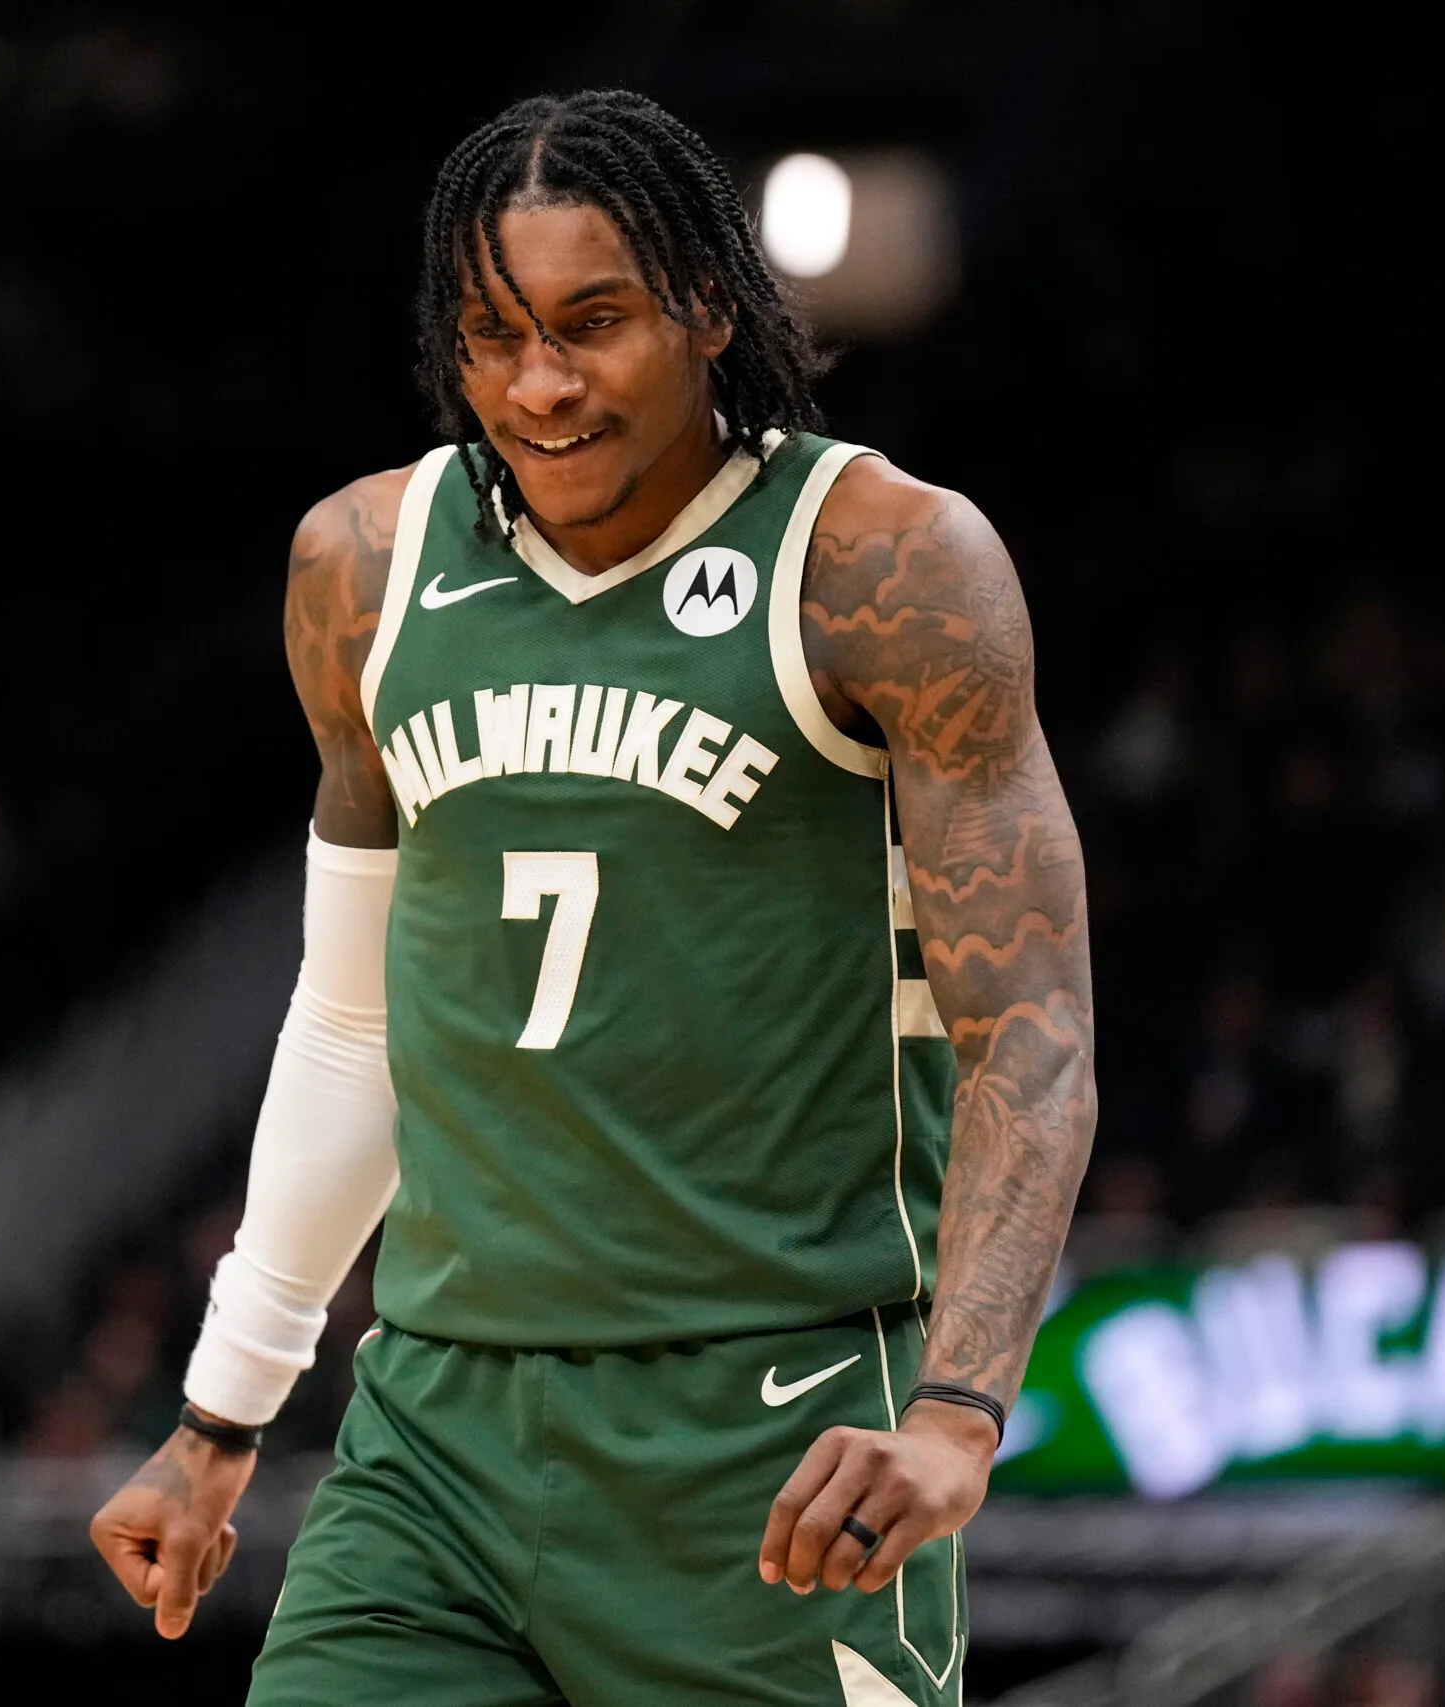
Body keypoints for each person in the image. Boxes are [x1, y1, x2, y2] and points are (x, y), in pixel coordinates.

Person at [89, 89, 1096, 1707]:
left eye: (592, 324)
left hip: (772, 1438)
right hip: (436, 1436)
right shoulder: (365, 564)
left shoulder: (885, 564)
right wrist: (221, 1417)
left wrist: (960, 1410)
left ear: (709, 302)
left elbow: (1031, 1036)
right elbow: (354, 1022)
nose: (539, 384)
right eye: (493, 335)